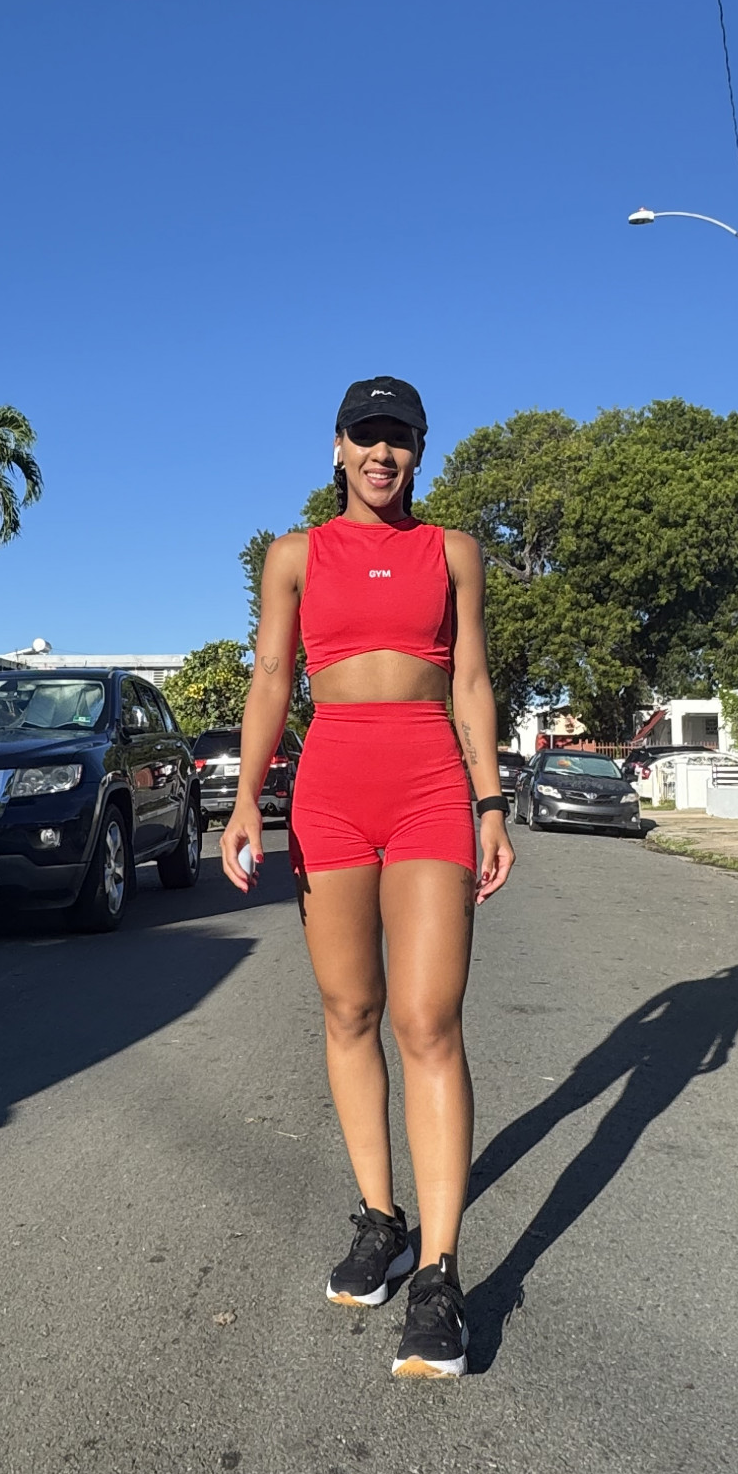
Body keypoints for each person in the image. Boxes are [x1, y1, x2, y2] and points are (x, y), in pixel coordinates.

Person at [221, 375, 515, 1378]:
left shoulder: (454, 551)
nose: (382, 452)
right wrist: (246, 797)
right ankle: (382, 1220)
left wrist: (490, 802)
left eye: (400, 437)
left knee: (427, 1019)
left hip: (430, 782)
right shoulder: (295, 555)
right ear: (338, 447)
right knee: (349, 1008)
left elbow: (470, 679)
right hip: (331, 787)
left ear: (418, 451)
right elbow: (272, 677)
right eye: (366, 434)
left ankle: (438, 1274)